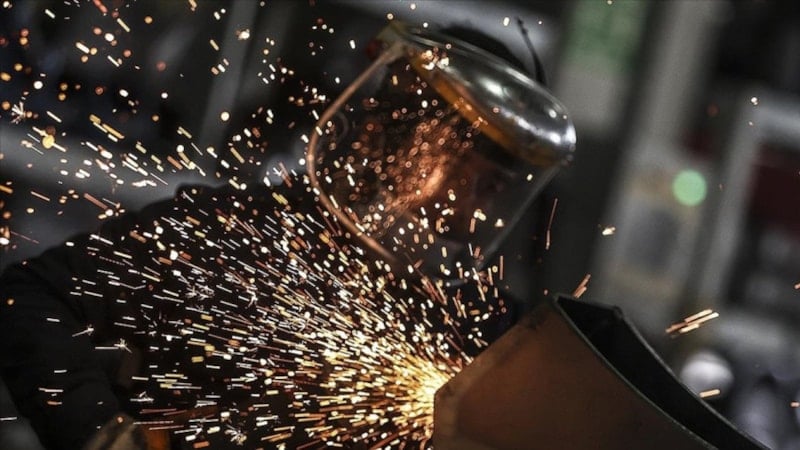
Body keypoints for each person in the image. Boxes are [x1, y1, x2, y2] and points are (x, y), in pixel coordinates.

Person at [0, 20, 575, 450]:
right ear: (397, 136)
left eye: (502, 178)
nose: (484, 193)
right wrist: (104, 434)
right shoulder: (239, 235)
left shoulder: (491, 332)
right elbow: (29, 298)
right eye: (469, 160)